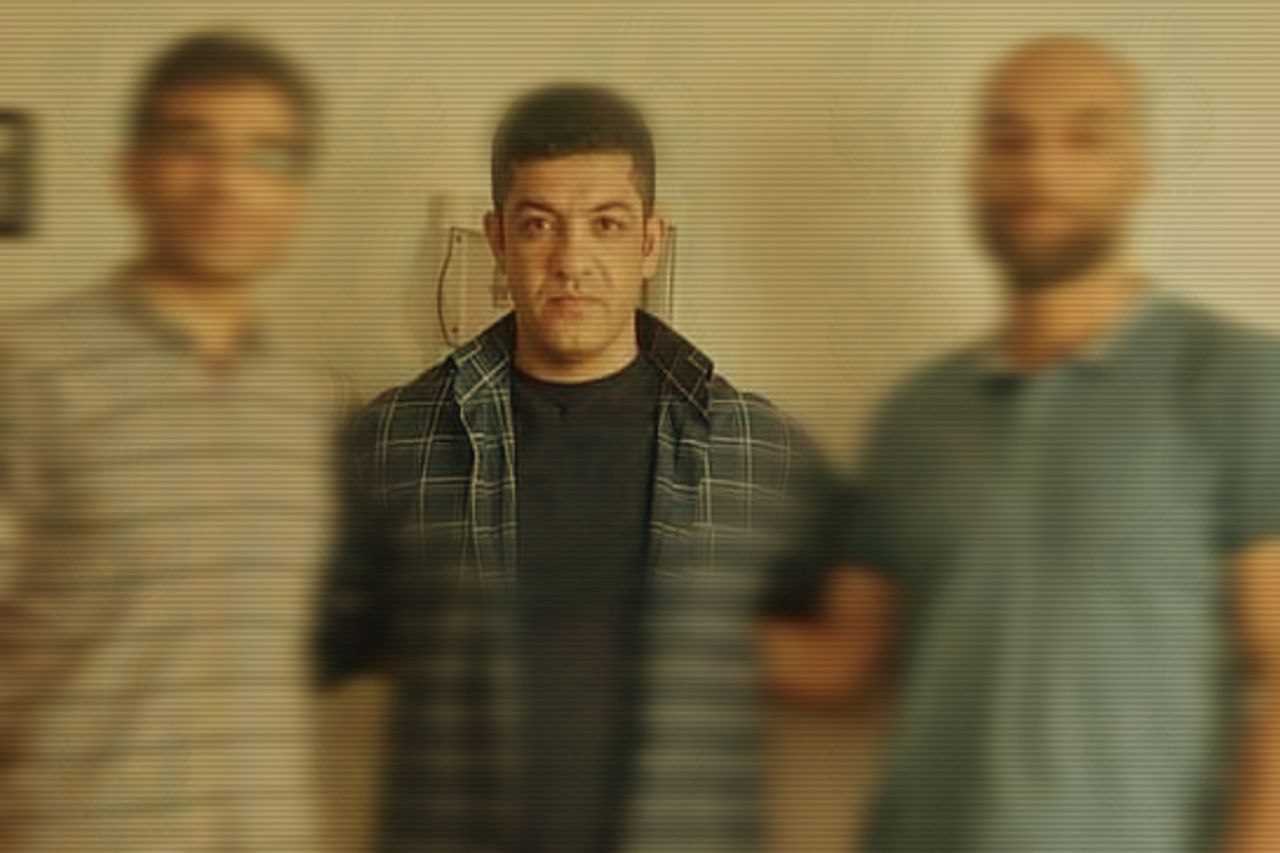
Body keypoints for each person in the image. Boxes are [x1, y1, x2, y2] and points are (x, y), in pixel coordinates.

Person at [765, 36, 1280, 853]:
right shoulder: (915, 415)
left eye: (1084, 136)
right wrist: (627, 615)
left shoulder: (1236, 379)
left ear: (1137, 167)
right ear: (977, 170)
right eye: (1010, 139)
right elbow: (845, 660)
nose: (1041, 168)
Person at [318, 83, 830, 853]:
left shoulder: (759, 449)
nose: (571, 261)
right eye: (538, 224)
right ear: (497, 238)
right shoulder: (392, 439)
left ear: (650, 242)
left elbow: (864, 644)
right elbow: (302, 637)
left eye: (607, 224)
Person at [0, 31, 341, 853]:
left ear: (297, 199)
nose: (227, 179)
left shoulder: (302, 403)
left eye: (268, 155)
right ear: (132, 172)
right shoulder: (28, 370)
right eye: (193, 144)